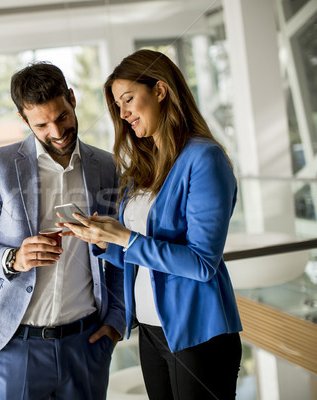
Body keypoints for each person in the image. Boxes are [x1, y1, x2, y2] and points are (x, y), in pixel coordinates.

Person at [58, 49, 243, 400]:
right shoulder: (144, 165)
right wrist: (102, 240)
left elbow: (202, 264)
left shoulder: (204, 159)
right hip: (151, 330)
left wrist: (125, 237)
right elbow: (143, 254)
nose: (124, 114)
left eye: (128, 100)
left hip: (197, 333)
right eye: (118, 105)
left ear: (160, 90)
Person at [0, 61, 126, 400]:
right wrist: (13, 258)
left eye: (61, 116)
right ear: (24, 119)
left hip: (87, 344)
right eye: (42, 124)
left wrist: (117, 322)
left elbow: (118, 247)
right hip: (16, 347)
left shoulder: (107, 167)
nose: (57, 132)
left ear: (72, 99)